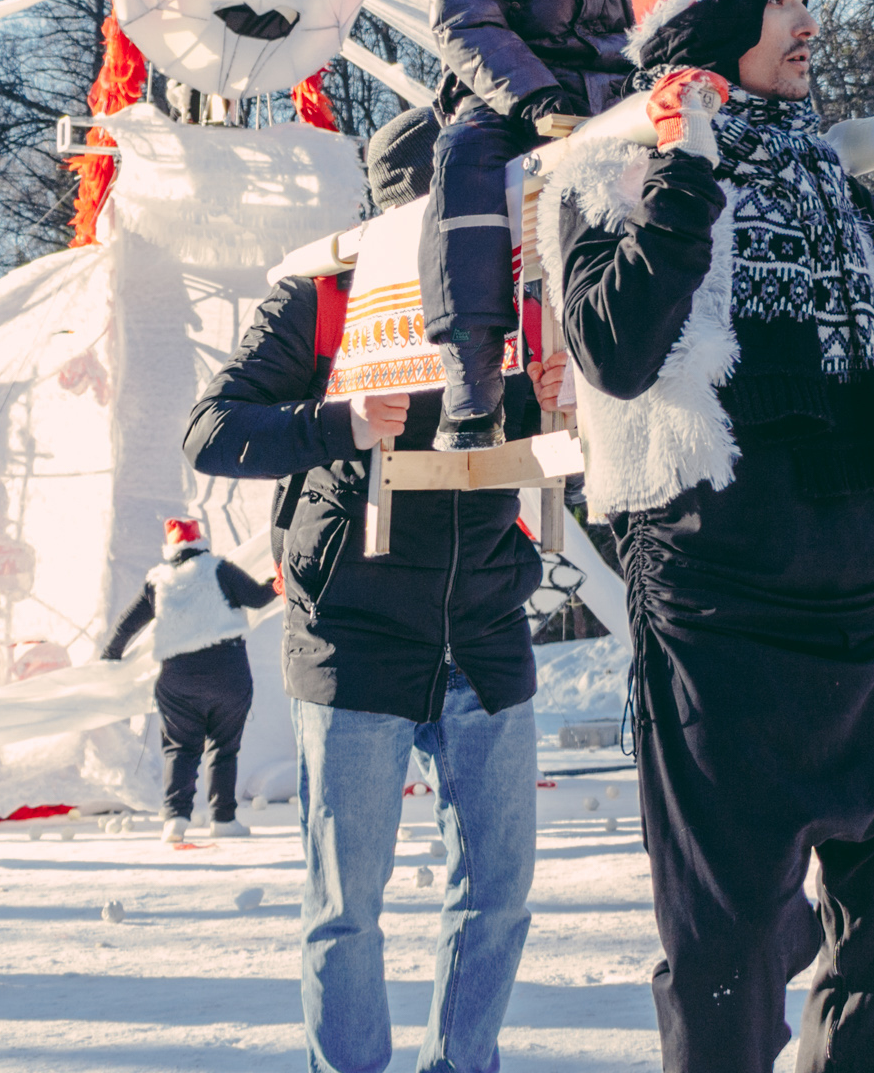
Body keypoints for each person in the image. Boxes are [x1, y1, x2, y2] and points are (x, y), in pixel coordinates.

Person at [537, 0, 874, 1073]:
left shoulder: (825, 179)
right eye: (783, 1)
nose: (809, 25)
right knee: (728, 959)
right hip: (723, 622)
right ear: (714, 16)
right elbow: (616, 351)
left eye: (805, 1)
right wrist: (683, 172)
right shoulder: (605, 170)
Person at [185, 104, 544, 1073]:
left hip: (484, 629)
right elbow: (211, 430)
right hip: (354, 635)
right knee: (346, 907)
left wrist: (563, 406)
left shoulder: (519, 295)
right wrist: (336, 421)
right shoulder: (324, 297)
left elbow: (547, 432)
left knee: (499, 894)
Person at [418, 0, 674, 449]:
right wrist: (533, 95)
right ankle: (473, 378)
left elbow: (663, 21)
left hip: (616, 97)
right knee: (464, 159)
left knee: (688, 165)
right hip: (511, 93)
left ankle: (666, 359)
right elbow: (466, 11)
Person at [101, 515, 277, 842]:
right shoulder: (219, 569)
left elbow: (126, 624)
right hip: (227, 673)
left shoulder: (158, 581)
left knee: (180, 750)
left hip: (178, 678)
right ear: (201, 542)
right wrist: (278, 582)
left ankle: (176, 820)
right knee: (224, 748)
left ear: (170, 548)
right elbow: (257, 597)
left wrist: (109, 658)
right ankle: (223, 819)